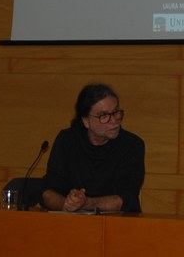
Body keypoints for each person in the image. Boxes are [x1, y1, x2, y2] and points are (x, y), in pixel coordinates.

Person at [42, 83, 145, 212]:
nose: (113, 120)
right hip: (71, 224)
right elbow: (47, 192)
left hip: (119, 224)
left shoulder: (132, 145)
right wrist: (66, 203)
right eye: (104, 116)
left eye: (116, 112)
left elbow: (125, 199)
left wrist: (86, 203)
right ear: (86, 121)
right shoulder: (67, 140)